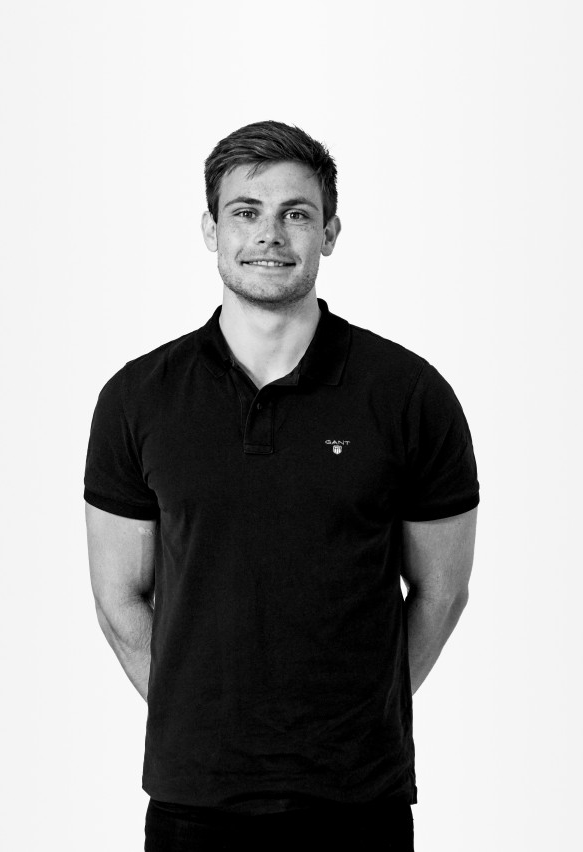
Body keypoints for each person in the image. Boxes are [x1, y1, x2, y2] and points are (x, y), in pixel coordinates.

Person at [84, 120, 480, 852]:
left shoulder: (409, 394)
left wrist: (358, 720)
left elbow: (443, 591)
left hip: (360, 803)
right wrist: (197, 718)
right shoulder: (138, 399)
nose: (270, 234)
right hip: (193, 802)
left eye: (296, 213)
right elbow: (117, 598)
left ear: (330, 233)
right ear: (211, 229)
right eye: (246, 212)